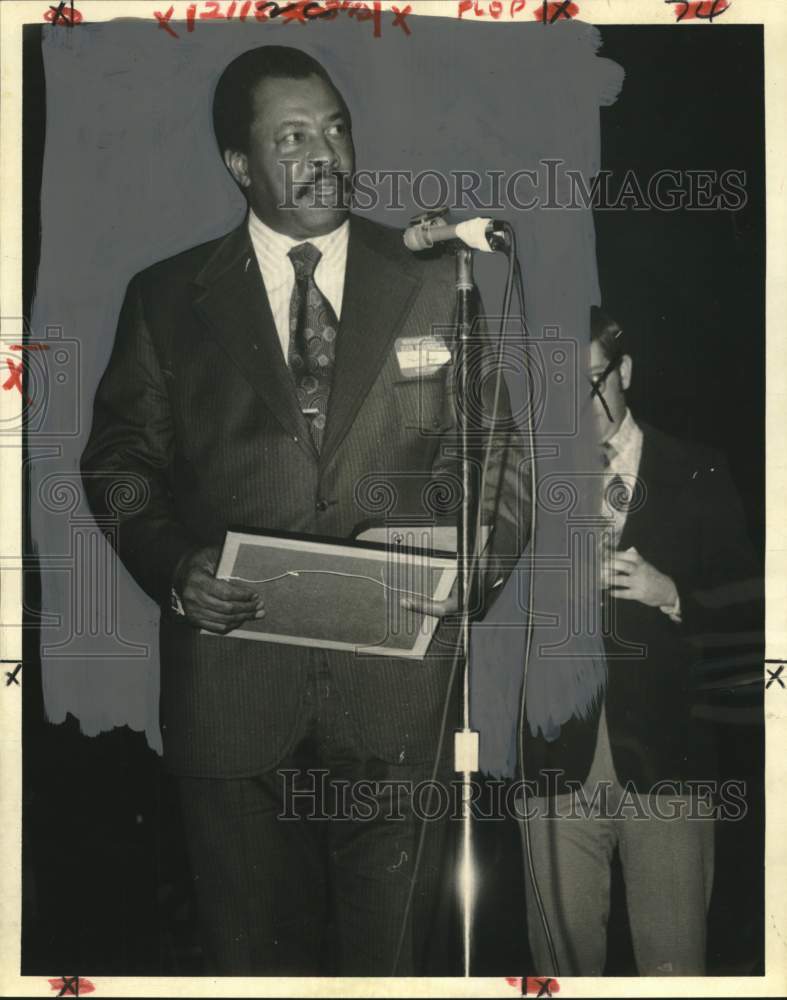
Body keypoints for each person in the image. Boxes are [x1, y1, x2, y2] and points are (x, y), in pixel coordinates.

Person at [80, 45, 524, 976]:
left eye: (335, 127)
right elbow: (118, 467)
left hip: (400, 693)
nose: (325, 152)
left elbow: (497, 465)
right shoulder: (165, 300)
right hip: (231, 698)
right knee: (253, 970)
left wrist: (467, 571)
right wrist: (171, 565)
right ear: (241, 165)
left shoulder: (438, 280)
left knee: (393, 966)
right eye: (292, 136)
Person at [521, 306, 760, 976]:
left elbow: (753, 621)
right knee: (552, 977)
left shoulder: (699, 470)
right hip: (551, 765)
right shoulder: (522, 482)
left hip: (670, 765)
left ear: (623, 370)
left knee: (674, 968)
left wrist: (672, 595)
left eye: (590, 380)